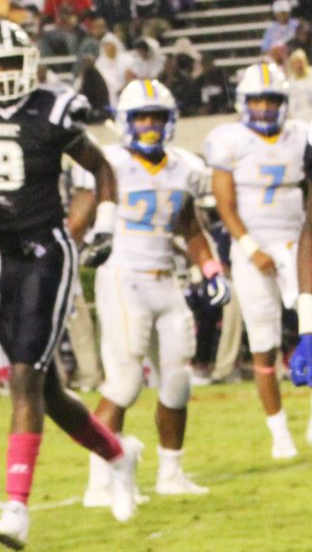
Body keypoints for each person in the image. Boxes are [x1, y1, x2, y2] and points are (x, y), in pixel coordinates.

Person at [0, 19, 140, 550]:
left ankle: (16, 507)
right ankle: (117, 453)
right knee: (47, 390)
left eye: (8, 63)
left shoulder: (52, 108)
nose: (1, 74)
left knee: (23, 379)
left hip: (47, 252)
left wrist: (103, 226)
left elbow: (103, 167)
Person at [78, 80, 227, 507]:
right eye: (141, 116)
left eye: (156, 116)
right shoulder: (110, 164)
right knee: (124, 383)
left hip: (167, 281)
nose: (148, 125)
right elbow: (79, 220)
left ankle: (171, 473)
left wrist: (211, 268)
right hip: (123, 278)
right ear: (126, 121)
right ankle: (99, 482)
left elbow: (191, 227)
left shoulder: (183, 166)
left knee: (178, 382)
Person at [206, 61, 310, 459]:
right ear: (243, 102)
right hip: (252, 248)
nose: (265, 107)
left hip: (298, 244)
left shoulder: (302, 136)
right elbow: (224, 204)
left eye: (272, 99)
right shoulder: (228, 140)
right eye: (258, 100)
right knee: (263, 343)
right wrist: (252, 249)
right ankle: (279, 432)